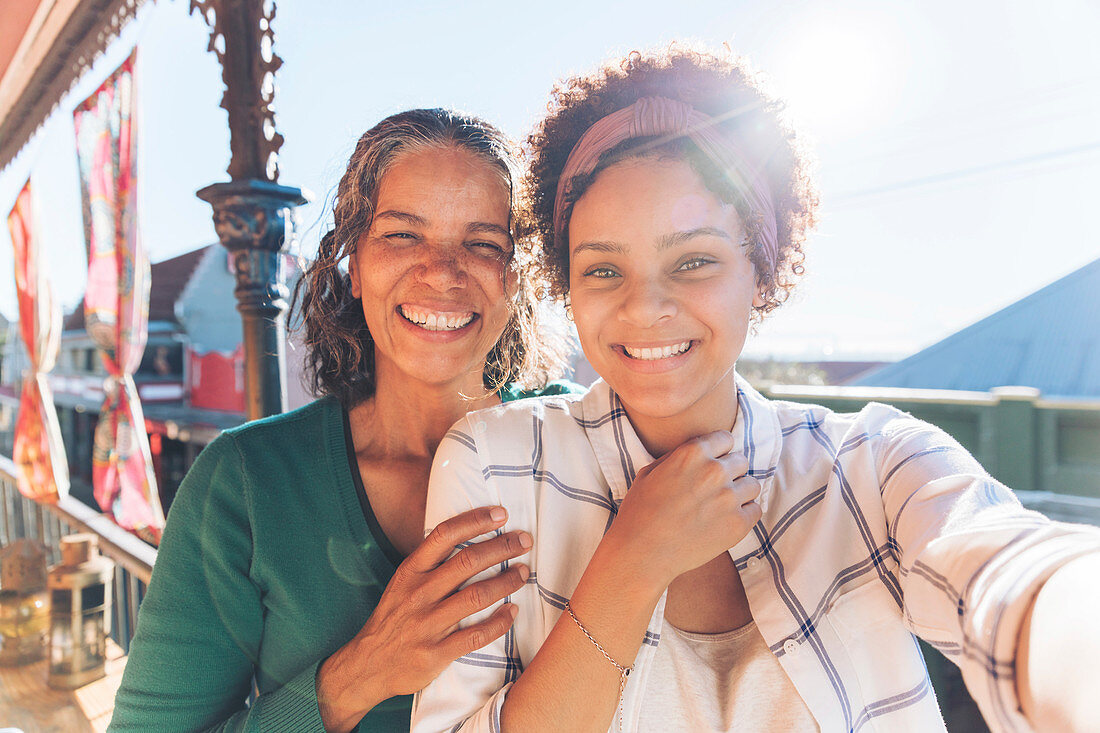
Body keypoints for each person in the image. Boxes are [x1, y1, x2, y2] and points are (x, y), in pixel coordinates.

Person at [411, 49, 1100, 732]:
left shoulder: (873, 464)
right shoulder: (495, 466)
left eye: (695, 261)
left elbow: (1008, 571)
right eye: (602, 271)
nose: (645, 307)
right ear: (567, 283)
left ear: (761, 274)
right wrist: (631, 560)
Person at [109, 108, 577, 732]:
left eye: (483, 244)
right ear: (354, 266)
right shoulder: (247, 483)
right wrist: (354, 679)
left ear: (513, 281)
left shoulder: (584, 437)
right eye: (403, 235)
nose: (442, 270)